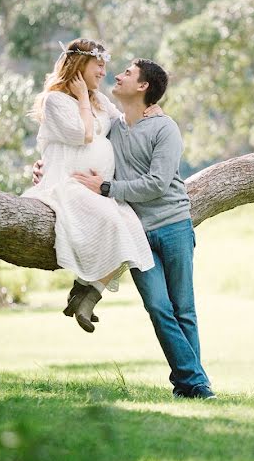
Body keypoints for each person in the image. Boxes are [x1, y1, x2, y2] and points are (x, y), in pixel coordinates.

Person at [34, 56, 215, 400]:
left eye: (128, 73)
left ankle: (190, 385)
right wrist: (46, 168)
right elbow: (80, 149)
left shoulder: (165, 128)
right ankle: (195, 383)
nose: (117, 76)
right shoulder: (114, 127)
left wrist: (106, 188)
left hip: (173, 225)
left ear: (143, 87)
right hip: (136, 233)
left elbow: (158, 183)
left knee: (184, 309)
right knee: (159, 307)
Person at [22, 38, 155, 333]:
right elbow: (81, 135)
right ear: (80, 64)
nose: (104, 71)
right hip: (68, 185)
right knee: (114, 224)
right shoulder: (55, 100)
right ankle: (84, 291)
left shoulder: (99, 100)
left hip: (98, 188)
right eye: (99, 64)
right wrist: (82, 97)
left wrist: (151, 110)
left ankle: (87, 294)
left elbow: (122, 122)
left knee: (133, 229)